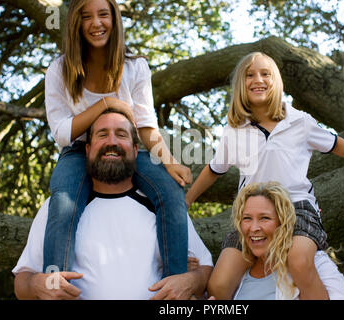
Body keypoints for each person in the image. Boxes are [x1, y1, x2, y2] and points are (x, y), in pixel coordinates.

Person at [185, 52, 344, 299]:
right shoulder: (234, 131)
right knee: (219, 285)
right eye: (250, 75)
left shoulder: (299, 121)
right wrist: (187, 200)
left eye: (266, 73)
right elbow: (215, 169)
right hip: (253, 214)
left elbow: (335, 143)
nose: (258, 79)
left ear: (276, 80)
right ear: (240, 85)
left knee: (298, 262)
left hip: (296, 207)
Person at [44, 0, 191, 278]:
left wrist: (169, 162)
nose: (96, 23)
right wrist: (106, 104)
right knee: (63, 202)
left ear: (114, 18)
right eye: (86, 16)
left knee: (171, 192)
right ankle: (55, 286)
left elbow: (146, 126)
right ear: (75, 23)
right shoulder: (58, 70)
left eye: (103, 14)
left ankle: (176, 282)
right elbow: (62, 133)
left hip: (127, 149)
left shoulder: (135, 67)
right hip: (79, 149)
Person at [13, 109, 213, 300]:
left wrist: (191, 280)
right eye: (102, 134)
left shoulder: (163, 204)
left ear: (136, 150)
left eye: (121, 134)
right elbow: (22, 281)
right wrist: (37, 285)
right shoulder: (60, 205)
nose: (112, 142)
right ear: (87, 149)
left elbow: (204, 267)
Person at [230, 181, 344, 300]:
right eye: (247, 218)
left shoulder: (313, 263)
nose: (254, 228)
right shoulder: (238, 274)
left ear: (282, 222)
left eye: (264, 218)